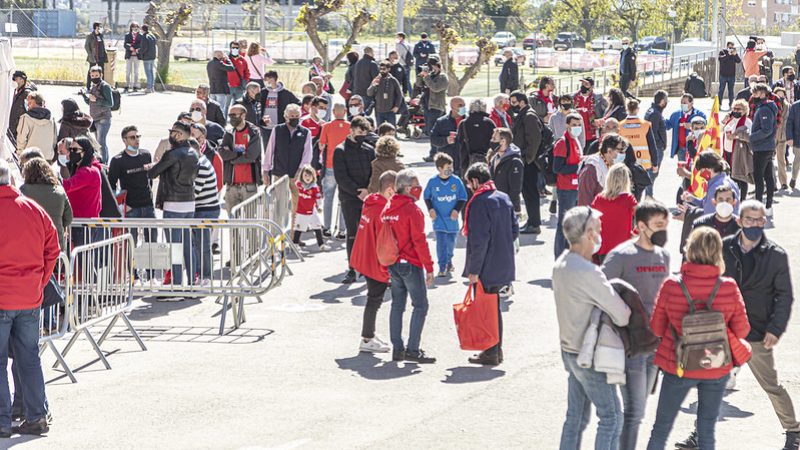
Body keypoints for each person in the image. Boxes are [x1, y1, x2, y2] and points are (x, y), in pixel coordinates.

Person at [646, 227, 750, 450]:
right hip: (716, 365)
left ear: (689, 249)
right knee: (706, 431)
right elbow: (742, 331)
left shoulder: (672, 285)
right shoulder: (729, 287)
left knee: (661, 429)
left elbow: (656, 328)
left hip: (678, 365)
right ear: (717, 253)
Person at [719, 200, 800, 450]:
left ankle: (794, 431)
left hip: (756, 331)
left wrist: (775, 329)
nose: (753, 224)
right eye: (748, 219)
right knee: (709, 381)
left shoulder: (775, 255)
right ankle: (699, 433)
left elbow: (784, 295)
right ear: (739, 220)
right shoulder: (725, 247)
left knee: (771, 384)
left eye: (758, 220)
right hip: (725, 329)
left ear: (764, 222)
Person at [553, 206, 631, 449]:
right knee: (611, 418)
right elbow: (622, 315)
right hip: (589, 355)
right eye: (597, 230)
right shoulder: (589, 272)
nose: (599, 235)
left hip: (569, 350)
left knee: (574, 417)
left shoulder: (561, 264)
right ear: (587, 234)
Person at [602, 200, 671, 450]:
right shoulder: (620, 256)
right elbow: (600, 293)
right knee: (634, 412)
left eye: (665, 224)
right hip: (630, 345)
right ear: (641, 226)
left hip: (656, 344)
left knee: (639, 407)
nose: (663, 230)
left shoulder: (664, 255)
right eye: (658, 225)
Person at [0, 159, 60, 438]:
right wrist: (41, 279)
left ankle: (3, 420)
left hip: (4, 297)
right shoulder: (32, 209)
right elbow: (53, 248)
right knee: (29, 358)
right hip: (29, 295)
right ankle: (36, 416)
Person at [462, 162, 517, 365]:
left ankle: (491, 350)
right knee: (494, 307)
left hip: (486, 264)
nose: (469, 187)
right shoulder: (503, 198)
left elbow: (479, 240)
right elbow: (514, 231)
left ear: (475, 181)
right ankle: (495, 349)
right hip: (503, 262)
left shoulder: (479, 202)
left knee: (487, 309)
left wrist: (474, 270)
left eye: (469, 183)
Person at [382, 169, 436, 364]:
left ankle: (398, 349)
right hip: (410, 264)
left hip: (393, 263)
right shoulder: (412, 210)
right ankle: (413, 349)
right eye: (415, 186)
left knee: (397, 305)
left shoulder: (388, 208)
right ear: (406, 188)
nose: (418, 189)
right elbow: (419, 241)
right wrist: (429, 267)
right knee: (420, 305)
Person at [147, 122, 199, 287]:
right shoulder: (193, 153)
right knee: (187, 246)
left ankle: (177, 285)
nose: (172, 135)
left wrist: (153, 166)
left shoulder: (173, 153)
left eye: (174, 133)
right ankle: (192, 281)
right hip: (189, 203)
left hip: (173, 204)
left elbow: (153, 173)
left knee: (175, 248)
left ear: (181, 135)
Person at [350, 171, 397, 353]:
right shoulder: (382, 210)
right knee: (374, 300)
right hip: (374, 261)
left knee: (373, 299)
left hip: (364, 257)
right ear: (390, 190)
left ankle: (369, 334)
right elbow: (384, 241)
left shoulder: (372, 202)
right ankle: (367, 338)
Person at [333, 116, 376, 284]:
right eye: (359, 132)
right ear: (351, 130)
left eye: (364, 133)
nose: (361, 136)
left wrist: (368, 190)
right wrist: (357, 192)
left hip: (367, 197)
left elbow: (374, 173)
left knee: (368, 234)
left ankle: (367, 266)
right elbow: (341, 177)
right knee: (352, 233)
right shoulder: (340, 150)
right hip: (349, 198)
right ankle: (352, 268)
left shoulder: (368, 149)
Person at [108, 125, 155, 244]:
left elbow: (149, 179)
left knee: (152, 241)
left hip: (148, 205)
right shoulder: (118, 160)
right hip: (131, 208)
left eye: (138, 136)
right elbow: (111, 186)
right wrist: (122, 206)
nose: (136, 140)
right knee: (131, 243)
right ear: (124, 140)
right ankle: (130, 263)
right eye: (132, 137)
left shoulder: (146, 155)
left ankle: (151, 263)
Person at [423, 153, 467, 277]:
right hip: (439, 219)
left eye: (451, 168)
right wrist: (431, 209)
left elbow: (463, 197)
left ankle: (449, 260)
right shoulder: (433, 182)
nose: (450, 170)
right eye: (447, 168)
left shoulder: (456, 181)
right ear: (440, 169)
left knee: (451, 243)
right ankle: (442, 266)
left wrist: (456, 210)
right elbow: (427, 197)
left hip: (452, 220)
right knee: (441, 243)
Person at [262, 103, 311, 211]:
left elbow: (307, 155)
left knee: (297, 203)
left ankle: (294, 225)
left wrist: (300, 171)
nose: (294, 118)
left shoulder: (305, 132)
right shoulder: (277, 130)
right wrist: (265, 171)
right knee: (280, 203)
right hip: (279, 172)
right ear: (286, 117)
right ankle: (280, 225)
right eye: (292, 116)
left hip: (297, 174)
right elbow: (269, 151)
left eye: (296, 116)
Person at [217, 105, 263, 214]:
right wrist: (240, 154)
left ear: (243, 115)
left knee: (250, 222)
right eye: (230, 115)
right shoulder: (228, 133)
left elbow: (251, 156)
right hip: (231, 186)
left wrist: (232, 158)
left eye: (234, 115)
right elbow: (222, 153)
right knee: (233, 223)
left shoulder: (254, 132)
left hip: (249, 186)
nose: (231, 118)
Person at [20, 157, 73, 253]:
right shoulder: (59, 191)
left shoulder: (23, 191)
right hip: (55, 244)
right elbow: (69, 217)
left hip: (32, 244)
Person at [510, 91, 543, 235]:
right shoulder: (523, 115)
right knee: (527, 192)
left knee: (530, 192)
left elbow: (534, 140)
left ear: (522, 102)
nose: (512, 105)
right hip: (524, 159)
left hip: (529, 161)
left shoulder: (529, 116)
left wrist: (527, 158)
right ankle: (532, 221)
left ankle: (534, 223)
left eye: (514, 102)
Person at [61, 137, 102, 248]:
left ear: (85, 152)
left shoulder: (89, 171)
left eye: (75, 150)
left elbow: (67, 186)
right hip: (80, 223)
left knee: (83, 261)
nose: (71, 152)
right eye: (70, 149)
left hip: (84, 224)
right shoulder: (83, 170)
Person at [553, 113, 584, 258]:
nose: (577, 127)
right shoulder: (562, 143)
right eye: (574, 125)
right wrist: (578, 167)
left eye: (579, 125)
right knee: (563, 225)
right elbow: (557, 168)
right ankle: (559, 258)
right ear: (567, 125)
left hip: (575, 188)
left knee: (573, 226)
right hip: (566, 189)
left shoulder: (576, 140)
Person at [591, 164, 637, 263]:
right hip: (624, 247)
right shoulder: (628, 199)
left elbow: (591, 221)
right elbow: (644, 216)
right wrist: (636, 233)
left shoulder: (599, 199)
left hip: (603, 247)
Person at [318, 103, 350, 237]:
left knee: (328, 198)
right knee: (344, 199)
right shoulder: (350, 126)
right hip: (345, 167)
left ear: (333, 111)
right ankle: (342, 230)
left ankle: (326, 227)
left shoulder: (326, 126)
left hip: (331, 165)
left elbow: (321, 145)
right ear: (345, 111)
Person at [619, 99, 660, 198]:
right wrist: (655, 163)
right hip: (643, 164)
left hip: (625, 163)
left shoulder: (620, 126)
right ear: (638, 109)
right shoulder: (645, 125)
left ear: (627, 109)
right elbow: (652, 145)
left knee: (626, 190)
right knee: (639, 192)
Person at [749, 83, 778, 216]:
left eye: (755, 94)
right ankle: (768, 205)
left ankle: (760, 205)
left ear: (761, 94)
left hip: (762, 148)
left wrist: (751, 137)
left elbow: (766, 130)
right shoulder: (765, 107)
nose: (753, 96)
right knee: (767, 176)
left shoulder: (765, 109)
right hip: (766, 147)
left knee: (760, 177)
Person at [682, 151, 741, 216]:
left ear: (708, 169)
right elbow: (707, 204)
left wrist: (689, 211)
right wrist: (693, 199)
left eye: (701, 171)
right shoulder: (728, 181)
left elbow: (709, 214)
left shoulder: (716, 187)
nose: (700, 174)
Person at [578, 133, 626, 206]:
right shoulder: (592, 168)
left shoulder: (613, 166)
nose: (623, 154)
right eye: (620, 150)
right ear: (609, 151)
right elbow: (585, 199)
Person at [291, 165, 329, 251]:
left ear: (313, 176)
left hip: (312, 211)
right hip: (301, 211)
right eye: (305, 175)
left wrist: (319, 206)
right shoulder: (298, 185)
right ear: (302, 176)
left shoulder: (314, 187)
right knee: (299, 228)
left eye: (309, 175)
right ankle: (295, 244)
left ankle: (321, 245)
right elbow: (293, 194)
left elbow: (318, 197)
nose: (307, 178)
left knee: (317, 226)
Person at [81, 66, 114, 163]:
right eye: (92, 75)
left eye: (96, 75)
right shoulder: (93, 87)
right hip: (94, 118)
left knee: (101, 142)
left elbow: (110, 103)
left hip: (104, 118)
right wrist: (84, 96)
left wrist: (97, 100)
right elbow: (91, 102)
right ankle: (102, 161)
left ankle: (104, 163)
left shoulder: (105, 86)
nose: (94, 77)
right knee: (97, 143)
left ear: (101, 75)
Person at [489, 127, 524, 216]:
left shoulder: (515, 162)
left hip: (506, 208)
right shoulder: (494, 158)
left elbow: (515, 189)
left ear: (503, 141)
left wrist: (509, 207)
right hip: (494, 205)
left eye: (494, 139)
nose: (491, 141)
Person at [457, 98, 495, 176]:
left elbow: (459, 142)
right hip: (487, 159)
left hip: (467, 160)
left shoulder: (463, 123)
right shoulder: (489, 122)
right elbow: (495, 140)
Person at [421, 57, 449, 160]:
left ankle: (435, 154)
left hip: (436, 107)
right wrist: (422, 77)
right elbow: (419, 85)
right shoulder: (430, 76)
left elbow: (436, 88)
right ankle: (434, 153)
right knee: (429, 131)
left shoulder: (442, 77)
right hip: (427, 106)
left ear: (435, 66)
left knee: (435, 132)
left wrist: (427, 77)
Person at [15, 92, 57, 160]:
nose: (28, 105)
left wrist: (20, 154)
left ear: (34, 102)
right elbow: (54, 140)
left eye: (29, 102)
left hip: (29, 157)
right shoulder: (52, 119)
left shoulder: (25, 118)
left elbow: (21, 139)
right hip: (47, 157)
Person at [666, 93, 707, 161]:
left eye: (685, 103)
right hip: (681, 149)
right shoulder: (676, 115)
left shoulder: (700, 114)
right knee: (683, 169)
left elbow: (706, 127)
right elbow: (668, 125)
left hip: (695, 148)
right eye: (681, 102)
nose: (682, 105)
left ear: (691, 103)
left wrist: (692, 126)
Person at [260, 70, 301, 136]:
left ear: (273, 79)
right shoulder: (263, 92)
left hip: (280, 126)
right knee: (266, 146)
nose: (266, 82)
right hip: (265, 127)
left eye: (267, 80)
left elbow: (298, 103)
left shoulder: (285, 93)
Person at [429, 97, 466, 170]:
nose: (463, 107)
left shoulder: (468, 121)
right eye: (460, 105)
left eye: (464, 105)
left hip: (464, 161)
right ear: (452, 107)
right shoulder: (441, 122)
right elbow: (433, 139)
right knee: (447, 180)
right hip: (447, 162)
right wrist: (446, 140)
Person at [573, 77, 608, 146]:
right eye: (582, 84)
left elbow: (606, 113)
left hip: (593, 134)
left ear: (592, 87)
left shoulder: (598, 98)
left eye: (586, 84)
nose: (583, 86)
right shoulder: (573, 97)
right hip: (576, 134)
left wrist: (600, 121)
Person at [367, 60, 403, 126]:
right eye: (380, 69)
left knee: (392, 130)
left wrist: (397, 106)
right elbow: (369, 93)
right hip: (379, 111)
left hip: (390, 111)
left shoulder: (393, 80)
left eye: (384, 69)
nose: (381, 71)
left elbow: (399, 94)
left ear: (389, 69)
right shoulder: (376, 79)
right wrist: (373, 85)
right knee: (380, 131)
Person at [772, 87, 791, 191]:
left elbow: (791, 121)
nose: (780, 96)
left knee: (781, 160)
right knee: (769, 160)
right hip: (772, 136)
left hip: (783, 136)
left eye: (782, 94)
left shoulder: (789, 106)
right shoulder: (771, 105)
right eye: (778, 94)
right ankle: (771, 183)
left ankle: (783, 182)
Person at [207, 51, 235, 119]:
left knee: (212, 108)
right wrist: (228, 59)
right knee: (221, 108)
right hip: (221, 90)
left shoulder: (209, 63)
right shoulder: (219, 63)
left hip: (212, 90)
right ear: (220, 56)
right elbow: (231, 68)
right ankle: (220, 123)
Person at [352, 47, 380, 112]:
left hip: (357, 91)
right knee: (365, 113)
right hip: (367, 92)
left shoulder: (358, 63)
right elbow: (376, 79)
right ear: (370, 52)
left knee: (358, 112)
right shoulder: (372, 64)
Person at [9, 71, 35, 141]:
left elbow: (31, 111)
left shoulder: (27, 94)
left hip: (20, 129)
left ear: (22, 80)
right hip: (14, 128)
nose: (13, 81)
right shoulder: (16, 92)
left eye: (15, 79)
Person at [224, 41, 249, 113]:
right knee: (226, 106)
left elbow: (247, 72)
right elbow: (221, 73)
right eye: (233, 47)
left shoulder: (243, 60)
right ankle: (224, 122)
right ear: (230, 48)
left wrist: (245, 81)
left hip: (239, 87)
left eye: (236, 48)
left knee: (238, 106)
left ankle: (235, 122)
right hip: (228, 87)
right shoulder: (225, 60)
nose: (235, 49)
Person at [718, 42, 741, 110]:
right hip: (723, 75)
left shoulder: (734, 54)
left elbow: (739, 61)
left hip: (731, 75)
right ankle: (719, 104)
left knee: (731, 91)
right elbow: (721, 59)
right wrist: (728, 54)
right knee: (721, 90)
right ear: (727, 47)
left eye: (732, 48)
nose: (731, 49)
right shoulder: (722, 52)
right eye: (729, 47)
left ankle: (731, 105)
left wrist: (735, 54)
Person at [84, 22, 107, 87]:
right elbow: (86, 46)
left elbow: (102, 45)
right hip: (93, 57)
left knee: (101, 72)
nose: (101, 28)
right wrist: (90, 55)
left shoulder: (101, 35)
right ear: (96, 27)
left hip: (101, 56)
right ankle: (88, 86)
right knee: (91, 71)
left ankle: (102, 86)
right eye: (100, 27)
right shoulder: (90, 36)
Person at [123, 22, 141, 93]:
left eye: (136, 27)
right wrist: (130, 47)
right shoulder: (127, 35)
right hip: (129, 56)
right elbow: (125, 44)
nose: (135, 28)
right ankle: (127, 86)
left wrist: (135, 49)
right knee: (128, 71)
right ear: (131, 28)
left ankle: (135, 86)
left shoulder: (140, 36)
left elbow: (140, 44)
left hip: (137, 56)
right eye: (133, 27)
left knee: (136, 72)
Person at [139, 25, 157, 93]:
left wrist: (139, 51)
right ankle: (152, 87)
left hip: (147, 57)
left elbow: (144, 48)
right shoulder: (152, 36)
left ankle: (149, 87)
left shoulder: (144, 37)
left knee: (148, 72)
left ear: (143, 30)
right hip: (152, 56)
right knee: (151, 72)